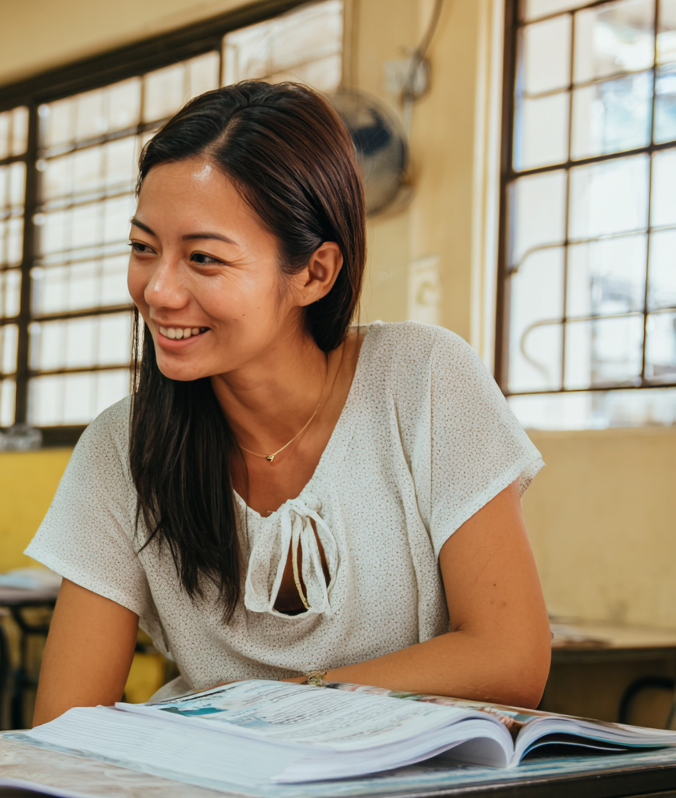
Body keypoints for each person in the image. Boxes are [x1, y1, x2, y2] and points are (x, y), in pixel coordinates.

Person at [28, 82, 551, 726]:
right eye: (143, 248)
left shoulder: (423, 381)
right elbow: (65, 720)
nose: (158, 290)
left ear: (314, 273)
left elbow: (509, 659)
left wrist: (270, 706)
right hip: (207, 787)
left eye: (203, 258)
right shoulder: (122, 446)